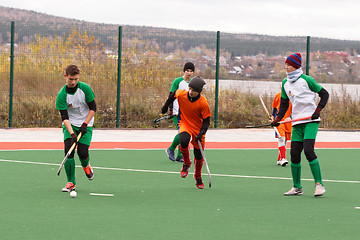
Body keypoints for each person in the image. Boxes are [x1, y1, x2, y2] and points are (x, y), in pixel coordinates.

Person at [271, 53, 329, 197]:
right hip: (297, 122)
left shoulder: (307, 80)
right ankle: (297, 187)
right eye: (286, 64)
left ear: (296, 66)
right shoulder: (285, 83)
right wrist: (277, 118)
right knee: (294, 154)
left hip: (311, 121)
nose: (286, 67)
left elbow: (325, 94)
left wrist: (318, 110)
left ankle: (319, 185)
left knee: (308, 151)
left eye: (289, 65)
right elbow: (284, 104)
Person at [161, 76, 211, 189]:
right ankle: (186, 163)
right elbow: (172, 95)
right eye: (190, 89)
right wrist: (165, 108)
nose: (191, 92)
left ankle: (197, 176)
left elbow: (207, 121)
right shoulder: (181, 94)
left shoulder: (203, 102)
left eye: (194, 90)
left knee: (198, 156)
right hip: (185, 123)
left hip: (198, 128)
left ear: (199, 92)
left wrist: (201, 134)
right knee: (183, 140)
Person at [56, 64, 96, 192]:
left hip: (86, 123)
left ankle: (86, 166)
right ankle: (71, 182)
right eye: (71, 79)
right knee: (69, 152)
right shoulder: (62, 95)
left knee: (82, 153)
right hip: (70, 124)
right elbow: (64, 117)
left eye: (76, 79)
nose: (73, 82)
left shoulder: (85, 89)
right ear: (65, 77)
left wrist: (85, 124)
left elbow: (93, 108)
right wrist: (73, 134)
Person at [165, 62, 195, 162]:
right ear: (184, 71)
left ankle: (179, 156)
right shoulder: (177, 81)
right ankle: (171, 149)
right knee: (182, 133)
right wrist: (170, 110)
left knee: (185, 134)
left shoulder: (193, 83)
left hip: (187, 113)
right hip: (176, 112)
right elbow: (171, 96)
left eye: (191, 71)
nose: (189, 73)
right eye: (187, 71)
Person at [271, 92, 292, 166]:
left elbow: (296, 109)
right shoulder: (278, 95)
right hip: (279, 121)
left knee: (285, 140)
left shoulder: (294, 96)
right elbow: (274, 107)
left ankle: (279, 159)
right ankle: (283, 158)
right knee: (281, 138)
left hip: (288, 121)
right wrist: (272, 117)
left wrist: (291, 117)